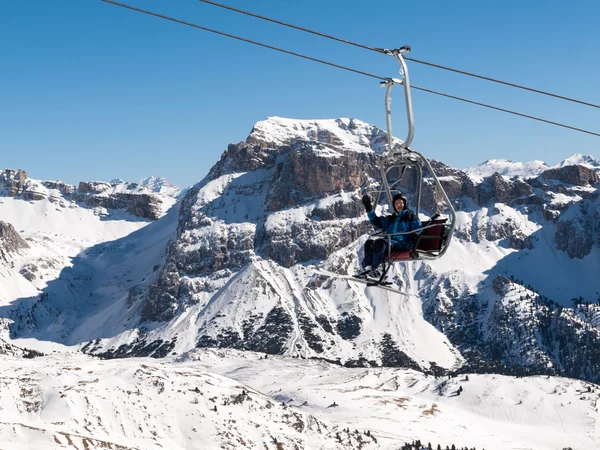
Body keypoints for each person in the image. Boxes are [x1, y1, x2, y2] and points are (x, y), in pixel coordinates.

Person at [359, 192, 422, 278]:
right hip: (390, 243)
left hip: (402, 244)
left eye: (401, 202)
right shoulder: (392, 219)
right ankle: (368, 269)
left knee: (380, 243)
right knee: (369, 243)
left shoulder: (410, 215)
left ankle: (378, 269)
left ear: (405, 203)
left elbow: (418, 229)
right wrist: (369, 208)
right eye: (396, 203)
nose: (399, 205)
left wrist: (414, 238)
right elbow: (376, 221)